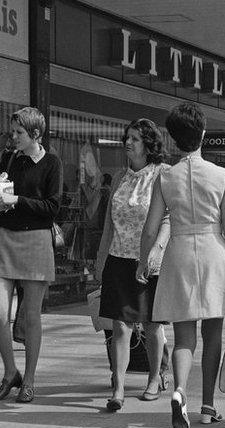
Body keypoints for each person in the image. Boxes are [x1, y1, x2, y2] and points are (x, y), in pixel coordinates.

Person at [140, 103, 225, 428]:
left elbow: (150, 226)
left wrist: (144, 260)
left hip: (180, 254)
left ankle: (180, 390)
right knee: (211, 333)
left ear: (172, 139)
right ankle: (208, 406)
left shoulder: (165, 177)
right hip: (214, 253)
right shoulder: (220, 175)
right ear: (203, 134)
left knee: (184, 335)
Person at [94, 118, 170, 411]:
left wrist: (155, 252)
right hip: (118, 258)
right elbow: (108, 224)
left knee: (151, 325)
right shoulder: (119, 177)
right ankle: (119, 387)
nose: (129, 143)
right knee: (120, 327)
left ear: (149, 144)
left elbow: (169, 218)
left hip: (149, 260)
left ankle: (154, 378)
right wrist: (101, 261)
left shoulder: (163, 174)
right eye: (128, 137)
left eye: (135, 139)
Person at [0, 107, 63, 403]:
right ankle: (10, 371)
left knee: (31, 316)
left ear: (35, 134)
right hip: (6, 237)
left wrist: (16, 199)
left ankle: (29, 379)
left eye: (19, 133)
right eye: (13, 131)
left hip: (36, 239)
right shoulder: (9, 159)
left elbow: (53, 207)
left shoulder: (52, 163)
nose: (14, 137)